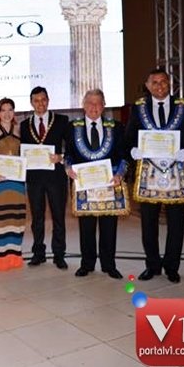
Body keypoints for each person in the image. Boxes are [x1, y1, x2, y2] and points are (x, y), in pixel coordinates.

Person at [125, 69, 184, 283]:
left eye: (163, 82)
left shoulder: (183, 107)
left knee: (176, 223)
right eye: (155, 82)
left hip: (176, 173)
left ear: (170, 84)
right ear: (147, 85)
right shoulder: (139, 108)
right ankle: (152, 266)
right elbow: (128, 138)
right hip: (148, 175)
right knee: (148, 223)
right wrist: (132, 151)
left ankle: (172, 267)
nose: (160, 86)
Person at [65, 89, 127, 279]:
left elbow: (123, 154)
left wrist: (120, 173)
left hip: (109, 183)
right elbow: (69, 154)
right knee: (86, 227)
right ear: (83, 105)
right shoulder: (72, 127)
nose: (94, 107)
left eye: (98, 103)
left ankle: (109, 265)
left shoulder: (116, 127)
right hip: (84, 184)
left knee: (109, 226)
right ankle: (87, 264)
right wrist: (68, 167)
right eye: (90, 103)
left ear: (104, 106)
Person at [20, 86, 69, 269]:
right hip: (34, 178)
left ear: (48, 100)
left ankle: (59, 254)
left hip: (56, 177)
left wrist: (61, 157)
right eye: (36, 100)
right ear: (31, 103)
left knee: (58, 217)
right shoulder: (24, 125)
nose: (40, 103)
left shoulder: (62, 120)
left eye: (43, 100)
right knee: (37, 218)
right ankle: (38, 253)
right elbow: (22, 150)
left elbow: (71, 146)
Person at [0, 98, 26, 270]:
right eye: (3, 110)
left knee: (16, 219)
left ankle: (15, 257)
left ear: (14, 112)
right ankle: (0, 259)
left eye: (10, 109)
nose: (7, 113)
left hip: (16, 181)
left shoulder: (19, 129)